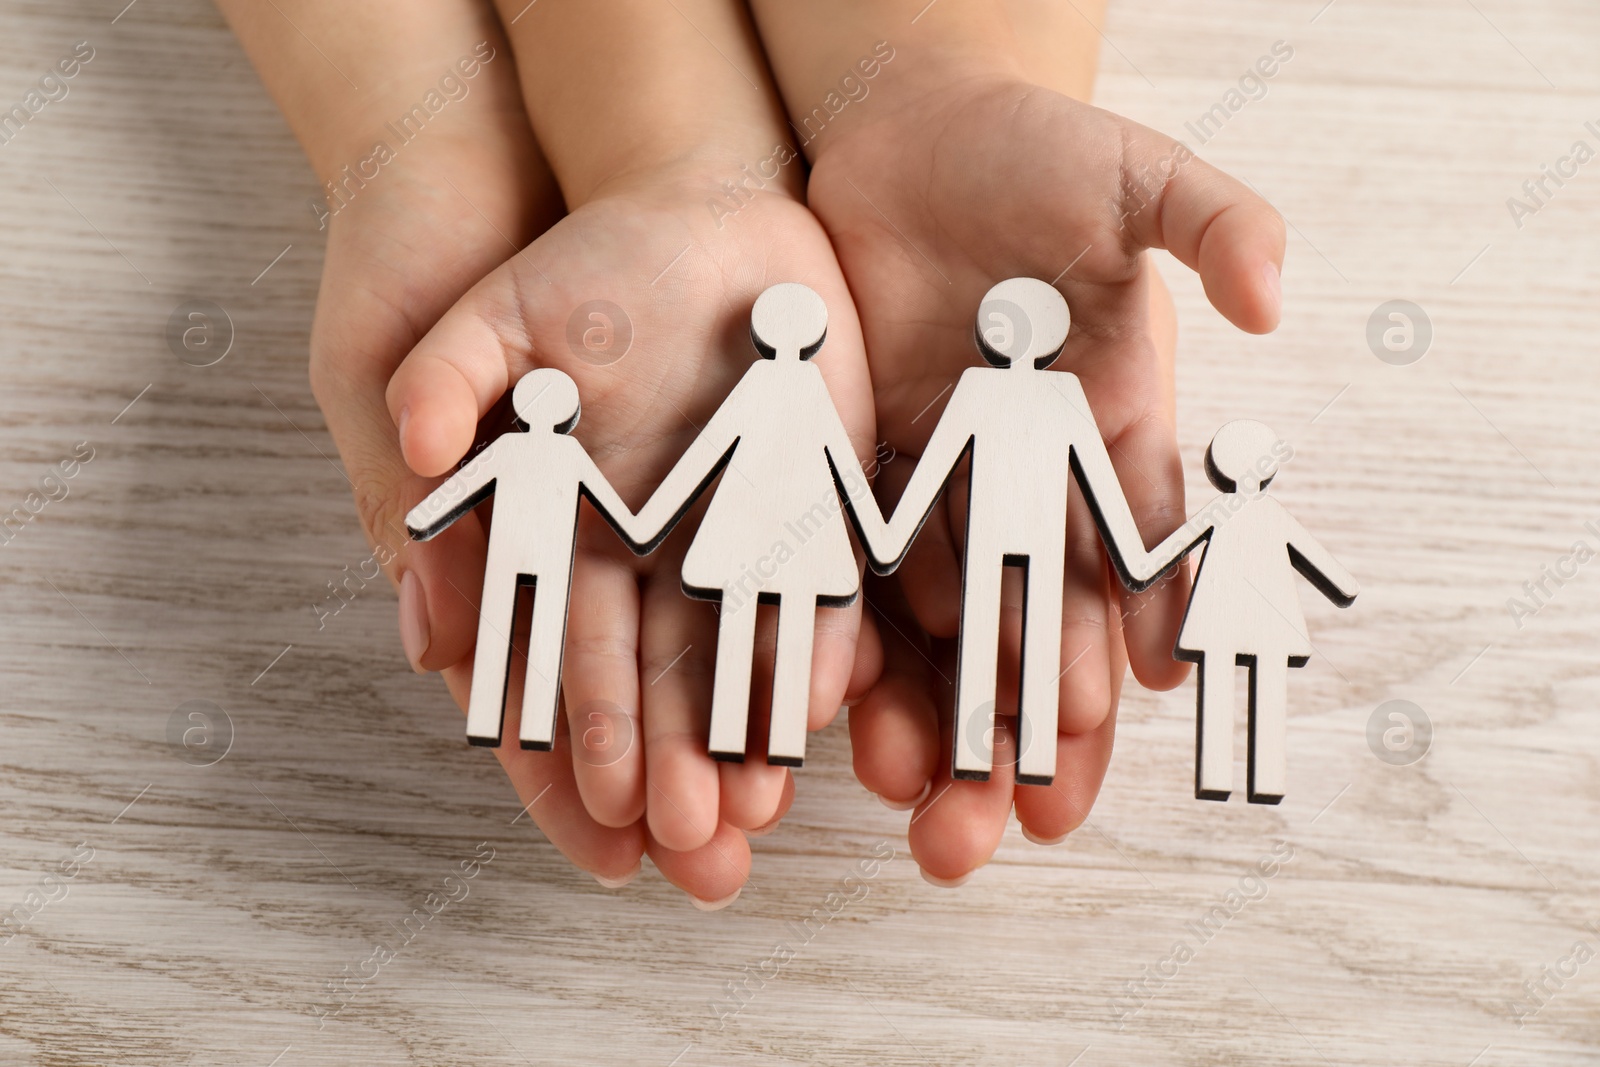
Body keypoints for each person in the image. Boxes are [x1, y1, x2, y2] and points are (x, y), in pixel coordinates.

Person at [219, 0, 1289, 897]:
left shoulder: (963, 403)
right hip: (759, 524)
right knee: (783, 649)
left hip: (779, 524)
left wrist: (921, 78)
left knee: (880, 638)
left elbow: (983, 460)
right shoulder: (785, 395)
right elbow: (746, 454)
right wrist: (429, 126)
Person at [856, 278, 1169, 785]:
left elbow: (939, 467)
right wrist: (1132, 556)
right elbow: (941, 463)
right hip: (1024, 530)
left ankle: (1001, 750)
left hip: (1018, 530)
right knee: (1019, 630)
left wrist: (893, 532)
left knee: (996, 628)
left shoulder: (1002, 388)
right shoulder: (1031, 390)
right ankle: (999, 750)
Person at [627, 283, 889, 768]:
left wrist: (650, 522)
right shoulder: (800, 384)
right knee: (786, 624)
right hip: (798, 526)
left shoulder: (770, 382)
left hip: (753, 523)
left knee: (741, 612)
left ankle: (738, 729)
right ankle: (772, 736)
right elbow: (844, 465)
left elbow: (707, 453)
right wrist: (878, 536)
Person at [405, 369, 648, 751]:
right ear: (567, 412)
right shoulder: (568, 453)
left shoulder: (509, 448)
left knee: (496, 633)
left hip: (510, 551)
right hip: (550, 557)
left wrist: (421, 519)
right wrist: (644, 530)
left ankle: (491, 719)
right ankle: (535, 725)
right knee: (547, 641)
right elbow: (617, 513)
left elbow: (457, 491)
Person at [1143, 421, 1359, 803]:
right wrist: (1345, 586)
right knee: (1265, 693)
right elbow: (1337, 579)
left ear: (1220, 467)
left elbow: (1159, 558)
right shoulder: (1271, 514)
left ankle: (1219, 774)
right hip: (1266, 622)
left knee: (1221, 689)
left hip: (1220, 615)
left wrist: (1132, 562)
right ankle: (1263, 779)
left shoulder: (1221, 511)